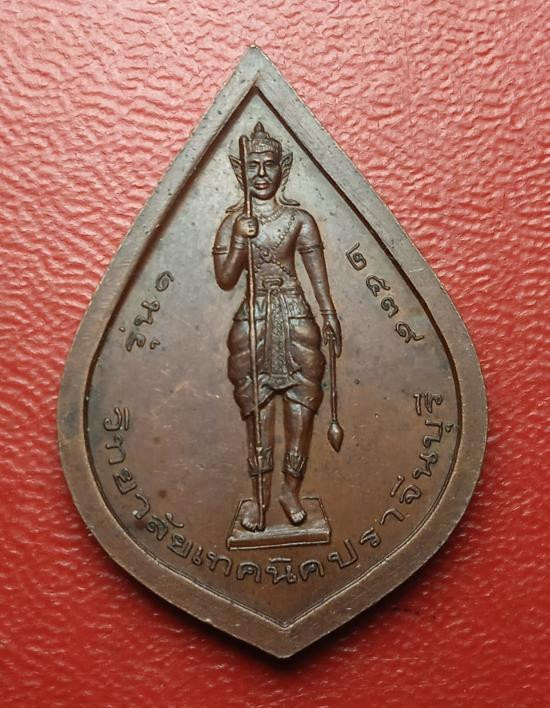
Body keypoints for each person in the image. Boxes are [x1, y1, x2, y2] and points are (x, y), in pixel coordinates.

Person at [212, 122, 341, 532]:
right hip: (254, 320)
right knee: (258, 407)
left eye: (269, 165)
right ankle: (259, 497)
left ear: (282, 169)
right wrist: (239, 239)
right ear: (241, 172)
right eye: (253, 166)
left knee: (302, 405)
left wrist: (329, 313)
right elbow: (225, 279)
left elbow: (317, 273)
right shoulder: (233, 222)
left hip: (295, 314)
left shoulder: (299, 220)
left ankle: (290, 490)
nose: (262, 174)